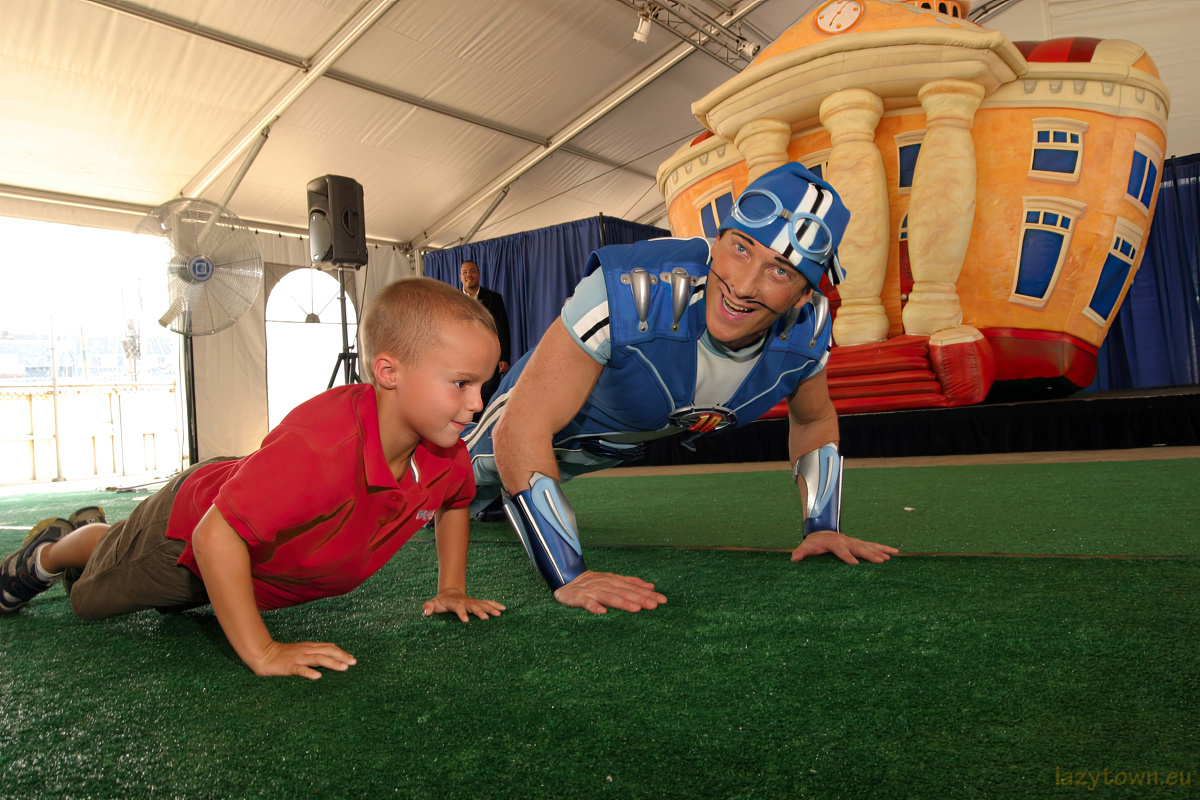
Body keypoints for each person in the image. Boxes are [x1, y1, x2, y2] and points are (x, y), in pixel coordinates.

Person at [0, 278, 506, 679]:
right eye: (461, 383)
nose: (478, 402)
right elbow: (214, 536)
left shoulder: (446, 455)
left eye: (484, 383)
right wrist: (263, 651)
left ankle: (98, 536)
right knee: (88, 600)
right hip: (182, 535)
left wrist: (453, 586)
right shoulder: (323, 448)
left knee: (149, 578)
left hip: (239, 555)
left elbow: (456, 500)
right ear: (389, 372)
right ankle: (52, 550)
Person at [465, 162, 899, 615]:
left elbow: (813, 418)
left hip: (606, 443)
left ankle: (495, 499)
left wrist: (821, 525)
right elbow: (519, 430)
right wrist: (569, 572)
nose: (743, 286)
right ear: (715, 242)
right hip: (527, 420)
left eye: (781, 272)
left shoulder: (807, 332)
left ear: (804, 295)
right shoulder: (632, 290)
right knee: (440, 486)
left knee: (510, 486)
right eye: (742, 248)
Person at [459, 260, 511, 411]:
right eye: (465, 272)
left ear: (479, 275)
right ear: (461, 277)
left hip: (489, 360)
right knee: (465, 401)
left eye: (472, 271)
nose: (469, 275)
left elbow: (502, 329)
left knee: (487, 400)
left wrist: (504, 357)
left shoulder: (493, 298)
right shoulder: (453, 300)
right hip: (462, 361)